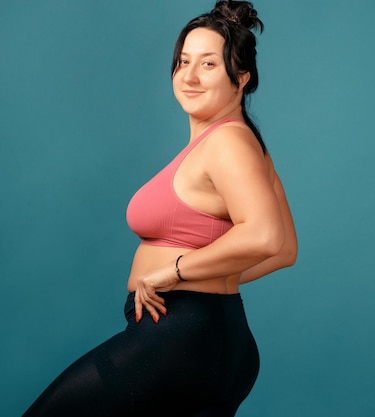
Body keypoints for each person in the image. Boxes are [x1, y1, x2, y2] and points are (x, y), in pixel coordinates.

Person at [23, 1, 297, 416]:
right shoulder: (240, 144)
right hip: (212, 336)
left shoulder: (228, 143)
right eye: (183, 61)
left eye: (208, 64)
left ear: (241, 78)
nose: (188, 76)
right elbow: (285, 252)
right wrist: (205, 275)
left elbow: (266, 238)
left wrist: (175, 272)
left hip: (182, 336)